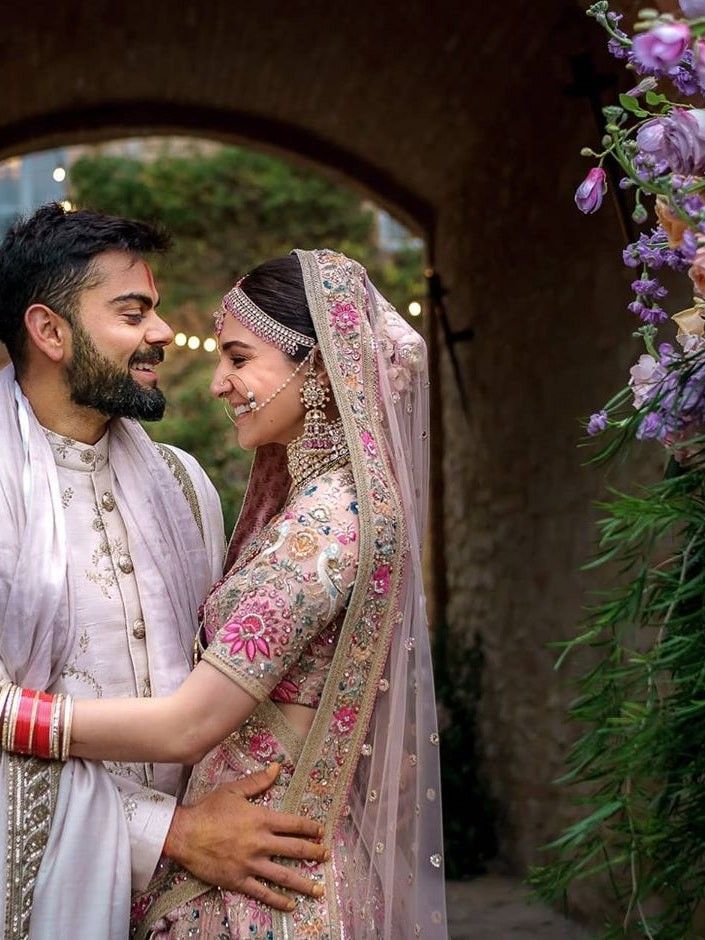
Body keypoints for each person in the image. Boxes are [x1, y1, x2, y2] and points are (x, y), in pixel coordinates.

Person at [5, 247, 448, 939]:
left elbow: (189, 724)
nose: (215, 382)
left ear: (319, 370)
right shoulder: (319, 513)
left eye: (238, 359)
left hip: (254, 898)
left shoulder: (313, 529)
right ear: (48, 331)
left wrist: (13, 716)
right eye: (134, 312)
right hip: (206, 880)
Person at [0, 206, 330, 939]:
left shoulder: (183, 486)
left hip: (196, 905)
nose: (158, 333)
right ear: (49, 332)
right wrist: (171, 834)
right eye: (132, 312)